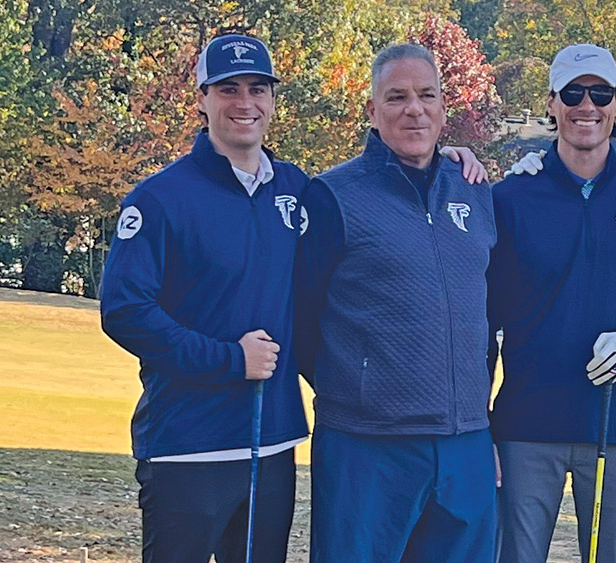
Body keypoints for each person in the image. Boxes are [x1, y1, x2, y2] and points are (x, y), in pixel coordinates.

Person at [101, 34, 309, 562]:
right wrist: (228, 359)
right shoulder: (160, 198)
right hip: (187, 445)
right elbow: (125, 310)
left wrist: (442, 158)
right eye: (228, 89)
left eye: (258, 88)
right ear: (201, 98)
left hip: (274, 447)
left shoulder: (297, 189)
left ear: (272, 99)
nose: (245, 103)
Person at [488, 44, 616, 563]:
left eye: (600, 93)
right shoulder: (510, 198)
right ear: (552, 103)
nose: (588, 105)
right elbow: (481, 321)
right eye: (574, 93)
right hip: (525, 427)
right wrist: (477, 423)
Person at [293, 43, 497, 563]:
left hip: (464, 444)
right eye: (398, 96)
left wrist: (476, 413)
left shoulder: (472, 190)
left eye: (427, 95)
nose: (415, 109)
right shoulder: (333, 196)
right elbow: (299, 319)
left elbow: (488, 310)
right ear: (372, 110)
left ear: (444, 107)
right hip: (368, 445)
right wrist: (361, 388)